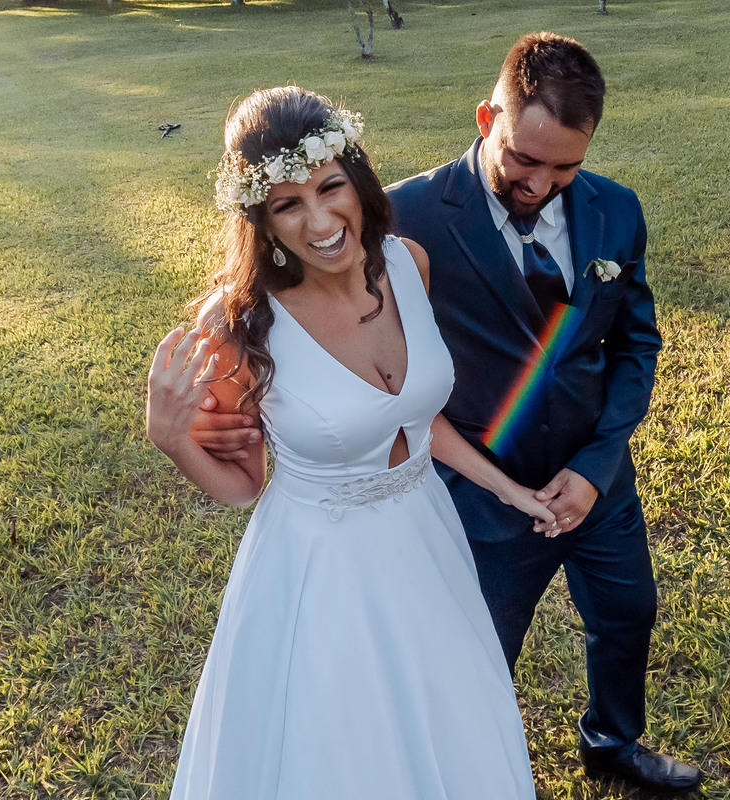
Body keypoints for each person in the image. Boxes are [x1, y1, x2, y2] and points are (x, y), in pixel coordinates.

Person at [192, 34, 702, 794]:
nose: (543, 183)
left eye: (566, 165)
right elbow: (328, 323)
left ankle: (613, 742)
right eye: (525, 160)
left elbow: (636, 345)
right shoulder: (406, 217)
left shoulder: (615, 212)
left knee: (629, 614)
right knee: (465, 665)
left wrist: (596, 469)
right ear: (486, 116)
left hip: (596, 480)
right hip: (471, 502)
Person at [146, 85, 548, 799]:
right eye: (287, 204)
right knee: (341, 752)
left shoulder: (406, 265)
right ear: (261, 219)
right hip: (319, 570)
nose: (321, 219)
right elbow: (243, 486)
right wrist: (170, 436)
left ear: (357, 180)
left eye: (331, 187)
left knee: (448, 716)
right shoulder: (240, 322)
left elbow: (414, 420)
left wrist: (508, 487)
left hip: (425, 535)